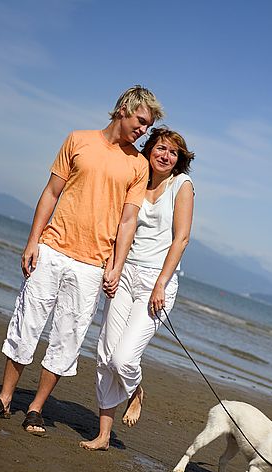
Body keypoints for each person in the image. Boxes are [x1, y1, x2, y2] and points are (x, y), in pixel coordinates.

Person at [0, 85, 164, 435]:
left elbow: (127, 220)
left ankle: (35, 408)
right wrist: (33, 240)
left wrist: (116, 265)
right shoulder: (78, 140)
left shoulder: (137, 164)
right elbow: (51, 192)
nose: (143, 130)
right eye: (141, 121)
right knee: (27, 323)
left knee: (68, 337)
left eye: (148, 126)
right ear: (123, 109)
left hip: (92, 266)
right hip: (52, 249)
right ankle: (3, 398)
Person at [79, 126, 195, 450]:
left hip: (156, 284)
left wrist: (161, 284)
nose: (165, 155)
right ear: (150, 151)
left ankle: (136, 388)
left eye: (172, 152)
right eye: (160, 148)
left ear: (179, 159)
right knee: (104, 354)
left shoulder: (182, 186)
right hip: (126, 273)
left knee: (124, 358)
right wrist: (111, 265)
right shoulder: (138, 181)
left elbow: (181, 239)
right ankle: (103, 435)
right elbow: (121, 225)